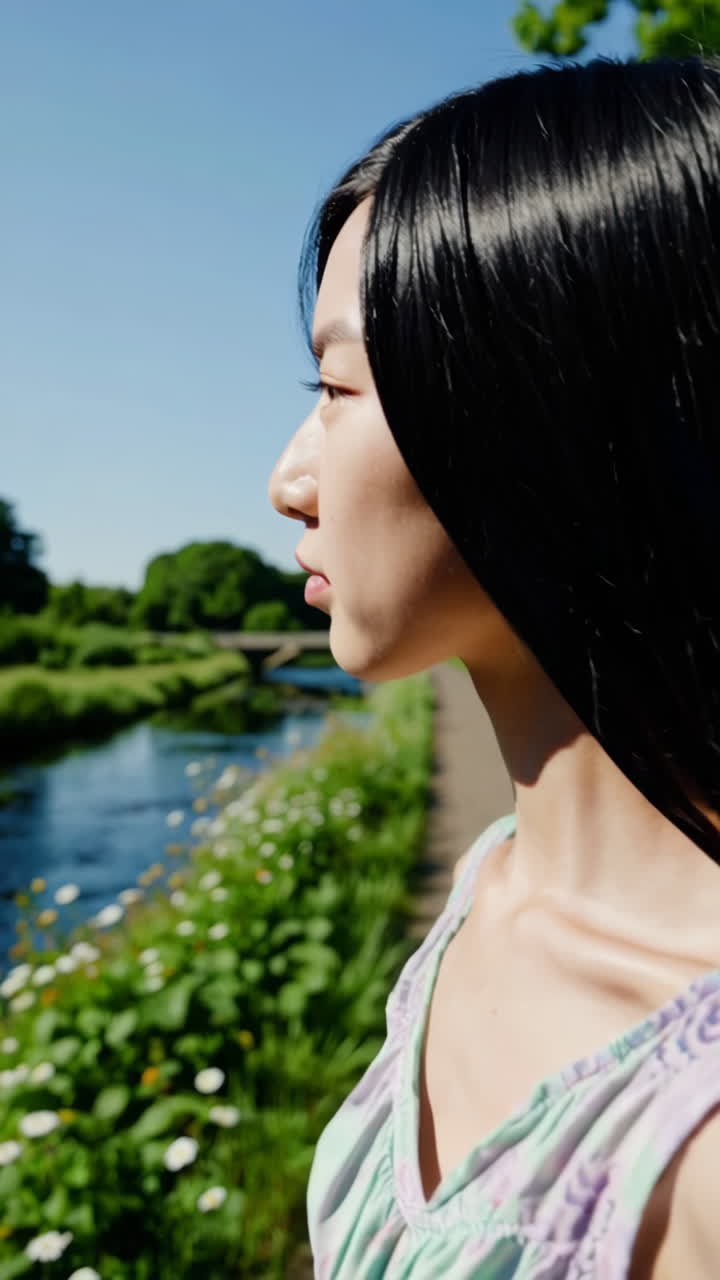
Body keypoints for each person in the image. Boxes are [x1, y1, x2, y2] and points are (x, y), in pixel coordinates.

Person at [268, 54, 720, 1278]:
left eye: (336, 387)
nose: (287, 480)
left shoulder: (703, 1148)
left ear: (541, 416)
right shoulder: (488, 882)